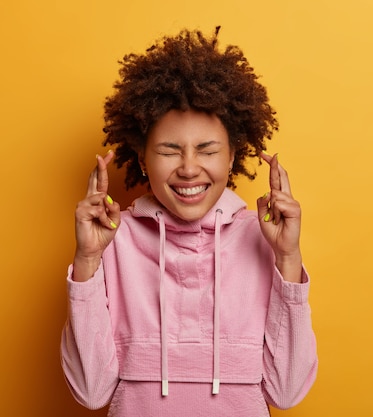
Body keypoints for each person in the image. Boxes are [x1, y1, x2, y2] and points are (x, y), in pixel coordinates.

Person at [60, 27, 317, 417]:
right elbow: (92, 392)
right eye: (169, 150)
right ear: (143, 160)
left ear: (232, 157)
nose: (189, 168)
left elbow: (286, 392)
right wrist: (88, 261)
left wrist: (287, 257)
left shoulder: (265, 237)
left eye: (207, 150)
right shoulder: (113, 240)